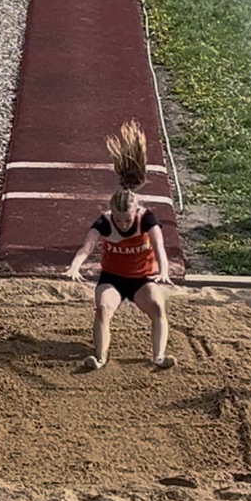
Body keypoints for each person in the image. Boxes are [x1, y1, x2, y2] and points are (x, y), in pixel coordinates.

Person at [65, 120, 175, 370]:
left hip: (141, 279)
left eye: (127, 219)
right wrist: (75, 266)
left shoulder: (147, 219)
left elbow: (159, 246)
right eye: (119, 219)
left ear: (135, 212)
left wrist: (164, 270)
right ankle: (100, 358)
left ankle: (158, 357)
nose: (123, 224)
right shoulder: (105, 222)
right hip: (112, 279)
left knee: (158, 307)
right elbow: (87, 247)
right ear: (111, 212)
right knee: (103, 309)